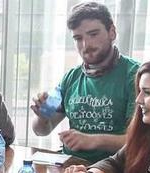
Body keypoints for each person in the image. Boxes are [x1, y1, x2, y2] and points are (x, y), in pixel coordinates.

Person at [31, 1, 140, 163]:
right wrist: (42, 116)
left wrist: (92, 140)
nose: (86, 45)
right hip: (70, 166)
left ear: (112, 32)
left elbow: (139, 141)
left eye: (93, 34)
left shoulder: (135, 75)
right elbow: (41, 130)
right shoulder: (71, 78)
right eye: (78, 38)